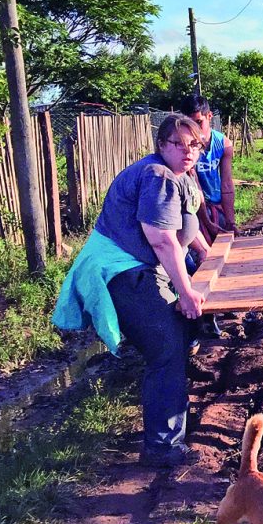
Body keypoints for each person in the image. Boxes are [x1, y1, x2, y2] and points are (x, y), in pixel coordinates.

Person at [53, 113, 211, 466]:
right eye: (178, 144)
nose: (187, 151)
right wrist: (185, 293)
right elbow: (162, 239)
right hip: (122, 270)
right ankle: (161, 446)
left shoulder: (180, 175)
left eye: (195, 145)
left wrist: (206, 252)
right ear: (161, 145)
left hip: (140, 266)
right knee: (166, 346)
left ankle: (174, 401)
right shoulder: (157, 176)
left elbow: (186, 221)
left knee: (178, 333)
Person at [181, 95, 236, 243]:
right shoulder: (185, 148)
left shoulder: (224, 144)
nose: (195, 129)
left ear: (209, 116)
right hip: (191, 208)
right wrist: (207, 222)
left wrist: (231, 222)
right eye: (190, 124)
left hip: (216, 205)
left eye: (199, 122)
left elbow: (226, 183)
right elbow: (194, 185)